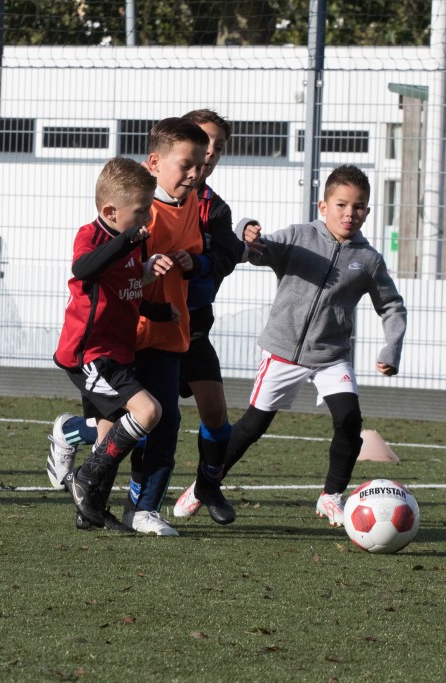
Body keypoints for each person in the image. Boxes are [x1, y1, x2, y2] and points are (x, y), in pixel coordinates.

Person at [203, 164, 407, 526]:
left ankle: (331, 496)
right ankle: (204, 485)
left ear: (367, 212)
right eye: (341, 204)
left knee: (349, 420)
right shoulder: (299, 237)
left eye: (358, 207)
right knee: (252, 426)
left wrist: (391, 348)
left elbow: (391, 306)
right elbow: (256, 250)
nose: (349, 213)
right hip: (282, 350)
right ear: (323, 206)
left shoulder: (369, 260)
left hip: (331, 356)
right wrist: (246, 230)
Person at [57, 156, 174, 532]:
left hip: (118, 352)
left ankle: (90, 512)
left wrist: (156, 305)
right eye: (141, 211)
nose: (147, 218)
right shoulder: (91, 235)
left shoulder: (134, 242)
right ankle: (85, 478)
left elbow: (126, 289)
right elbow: (83, 269)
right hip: (91, 354)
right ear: (110, 211)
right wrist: (126, 241)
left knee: (109, 434)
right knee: (149, 412)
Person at [170, 109, 255, 525]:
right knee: (136, 417)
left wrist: (202, 260)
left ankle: (208, 485)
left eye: (218, 148)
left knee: (216, 414)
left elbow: (225, 257)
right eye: (204, 143)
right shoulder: (150, 195)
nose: (210, 154)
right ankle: (73, 434)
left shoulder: (215, 209)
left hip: (194, 325)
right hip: (149, 326)